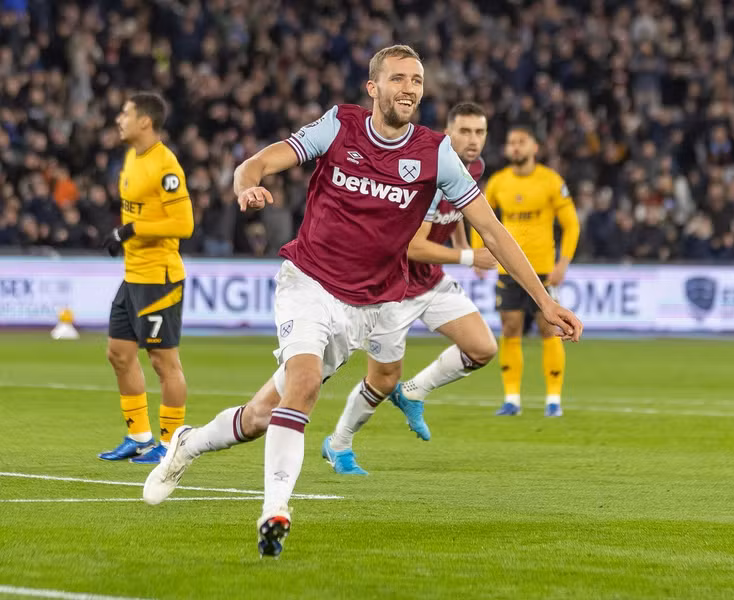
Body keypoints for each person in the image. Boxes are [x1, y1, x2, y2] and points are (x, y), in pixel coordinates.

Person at [142, 46, 582, 559]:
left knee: (262, 416)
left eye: (417, 79)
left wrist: (544, 300)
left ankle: (187, 444)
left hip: (362, 308)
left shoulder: (435, 153)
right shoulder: (340, 126)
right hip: (307, 282)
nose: (410, 88)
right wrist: (248, 186)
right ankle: (275, 513)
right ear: (373, 88)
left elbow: (494, 232)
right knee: (303, 387)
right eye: (398, 78)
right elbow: (259, 162)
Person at [323, 102, 497, 475]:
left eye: (479, 132)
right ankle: (338, 445)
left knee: (482, 348)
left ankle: (415, 391)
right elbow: (412, 246)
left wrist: (463, 243)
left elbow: (457, 213)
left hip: (430, 281)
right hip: (394, 287)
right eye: (464, 132)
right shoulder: (429, 173)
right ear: (448, 133)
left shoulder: (473, 169)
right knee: (383, 379)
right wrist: (469, 259)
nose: (473, 140)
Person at [98, 92, 193, 465]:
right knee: (118, 354)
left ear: (145, 122)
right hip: (133, 274)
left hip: (160, 277)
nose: (119, 119)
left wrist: (132, 229)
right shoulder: (131, 158)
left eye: (125, 113)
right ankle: (139, 436)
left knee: (163, 361)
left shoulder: (165, 165)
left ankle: (171, 447)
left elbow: (184, 224)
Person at [472, 125, 580, 417]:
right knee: (510, 329)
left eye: (521, 142)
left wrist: (563, 263)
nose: (515, 147)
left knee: (550, 330)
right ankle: (512, 399)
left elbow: (571, 224)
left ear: (535, 147)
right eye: (511, 142)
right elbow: (477, 217)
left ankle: (553, 400)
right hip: (508, 272)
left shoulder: (550, 181)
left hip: (543, 270)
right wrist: (476, 253)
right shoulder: (498, 182)